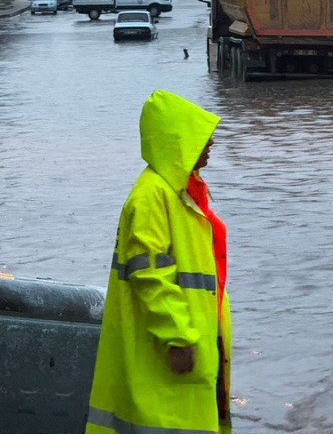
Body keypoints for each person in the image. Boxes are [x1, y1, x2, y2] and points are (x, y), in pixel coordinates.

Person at [86, 90, 232, 434]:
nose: (211, 142)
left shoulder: (179, 191)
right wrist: (178, 338)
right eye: (201, 136)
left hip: (193, 344)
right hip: (173, 350)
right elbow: (149, 273)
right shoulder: (152, 197)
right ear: (176, 142)